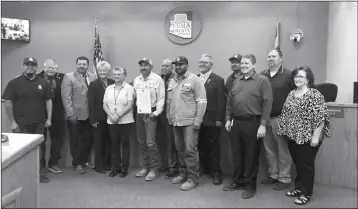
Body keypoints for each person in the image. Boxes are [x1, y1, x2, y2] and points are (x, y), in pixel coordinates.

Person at [277, 66, 330, 205]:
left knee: (306, 165)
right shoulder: (292, 93)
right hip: (293, 136)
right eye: (295, 76)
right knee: (298, 164)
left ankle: (306, 193)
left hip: (308, 136)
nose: (297, 79)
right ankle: (298, 188)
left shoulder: (314, 94)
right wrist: (284, 130)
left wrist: (315, 137)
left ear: (308, 79)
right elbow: (286, 114)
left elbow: (321, 117)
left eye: (301, 76)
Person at [224, 54, 273, 199]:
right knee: (237, 154)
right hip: (237, 122)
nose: (244, 65)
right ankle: (238, 181)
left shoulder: (262, 81)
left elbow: (267, 103)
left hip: (254, 122)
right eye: (242, 63)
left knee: (252, 156)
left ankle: (250, 186)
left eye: (247, 63)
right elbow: (229, 102)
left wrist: (263, 125)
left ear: (254, 65)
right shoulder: (236, 81)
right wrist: (228, 119)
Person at [2, 57, 53, 183]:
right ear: (23, 66)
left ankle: (39, 173)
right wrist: (12, 122)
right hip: (21, 123)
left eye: (33, 65)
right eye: (27, 65)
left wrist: (49, 118)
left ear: (36, 67)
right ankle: (22, 176)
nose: (30, 67)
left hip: (39, 121)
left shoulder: (43, 82)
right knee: (21, 149)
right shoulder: (14, 82)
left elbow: (48, 101)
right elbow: (8, 102)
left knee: (40, 147)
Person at [167, 56, 207, 191]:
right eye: (176, 64)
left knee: (190, 150)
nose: (178, 67)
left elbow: (202, 102)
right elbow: (169, 101)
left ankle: (193, 178)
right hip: (176, 121)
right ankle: (183, 174)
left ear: (187, 65)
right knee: (180, 150)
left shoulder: (195, 80)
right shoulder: (172, 81)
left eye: (181, 64)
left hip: (190, 122)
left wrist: (198, 120)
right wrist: (169, 115)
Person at [259, 49, 294, 190]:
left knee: (282, 149)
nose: (271, 58)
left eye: (274, 56)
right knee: (269, 149)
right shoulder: (262, 75)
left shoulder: (288, 75)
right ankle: (273, 175)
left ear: (281, 59)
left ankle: (284, 178)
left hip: (280, 118)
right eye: (269, 56)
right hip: (264, 119)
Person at [61, 56, 97, 174]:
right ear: (76, 65)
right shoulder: (69, 77)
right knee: (75, 140)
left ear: (87, 65)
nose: (82, 66)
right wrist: (70, 114)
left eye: (84, 64)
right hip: (75, 115)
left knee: (88, 139)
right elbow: (66, 97)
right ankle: (77, 163)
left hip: (89, 115)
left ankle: (84, 160)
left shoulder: (93, 76)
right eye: (80, 64)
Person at [133, 58, 165, 181]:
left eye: (146, 65)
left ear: (151, 67)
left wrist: (156, 112)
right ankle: (146, 167)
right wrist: (135, 96)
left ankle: (154, 169)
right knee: (141, 141)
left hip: (151, 112)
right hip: (140, 112)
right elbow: (136, 97)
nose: (143, 67)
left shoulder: (157, 79)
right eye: (141, 65)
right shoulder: (137, 80)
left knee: (150, 142)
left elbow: (161, 98)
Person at [197, 54, 226, 185]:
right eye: (200, 62)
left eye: (205, 62)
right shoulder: (195, 79)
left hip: (212, 120)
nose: (202, 64)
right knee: (201, 146)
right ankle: (205, 169)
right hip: (198, 119)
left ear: (211, 65)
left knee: (214, 148)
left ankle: (216, 173)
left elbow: (221, 101)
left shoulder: (218, 80)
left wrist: (219, 119)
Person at [103, 67, 135, 178]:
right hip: (111, 121)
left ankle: (124, 169)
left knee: (125, 145)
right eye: (115, 74)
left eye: (119, 74)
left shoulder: (129, 88)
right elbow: (104, 105)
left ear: (124, 75)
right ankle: (115, 168)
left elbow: (130, 105)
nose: (116, 76)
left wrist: (118, 115)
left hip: (125, 121)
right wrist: (111, 116)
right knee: (114, 145)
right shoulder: (109, 88)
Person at [38, 59, 65, 174]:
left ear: (56, 68)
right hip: (40, 113)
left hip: (58, 113)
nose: (50, 69)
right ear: (44, 68)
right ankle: (41, 165)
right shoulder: (37, 77)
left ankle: (53, 163)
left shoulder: (62, 77)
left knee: (57, 139)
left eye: (53, 68)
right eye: (48, 67)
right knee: (40, 140)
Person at [88, 61, 114, 174]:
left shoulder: (113, 82)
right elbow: (91, 103)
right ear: (97, 72)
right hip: (98, 118)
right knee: (98, 143)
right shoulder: (93, 85)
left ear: (109, 71)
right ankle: (99, 166)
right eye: (100, 71)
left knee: (109, 142)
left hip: (111, 117)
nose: (102, 72)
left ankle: (107, 164)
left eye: (105, 70)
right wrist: (92, 120)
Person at [156, 58, 179, 178]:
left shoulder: (176, 79)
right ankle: (162, 164)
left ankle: (173, 167)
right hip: (158, 115)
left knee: (172, 143)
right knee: (160, 142)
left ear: (172, 68)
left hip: (170, 115)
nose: (164, 68)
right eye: (162, 66)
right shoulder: (158, 79)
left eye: (166, 66)